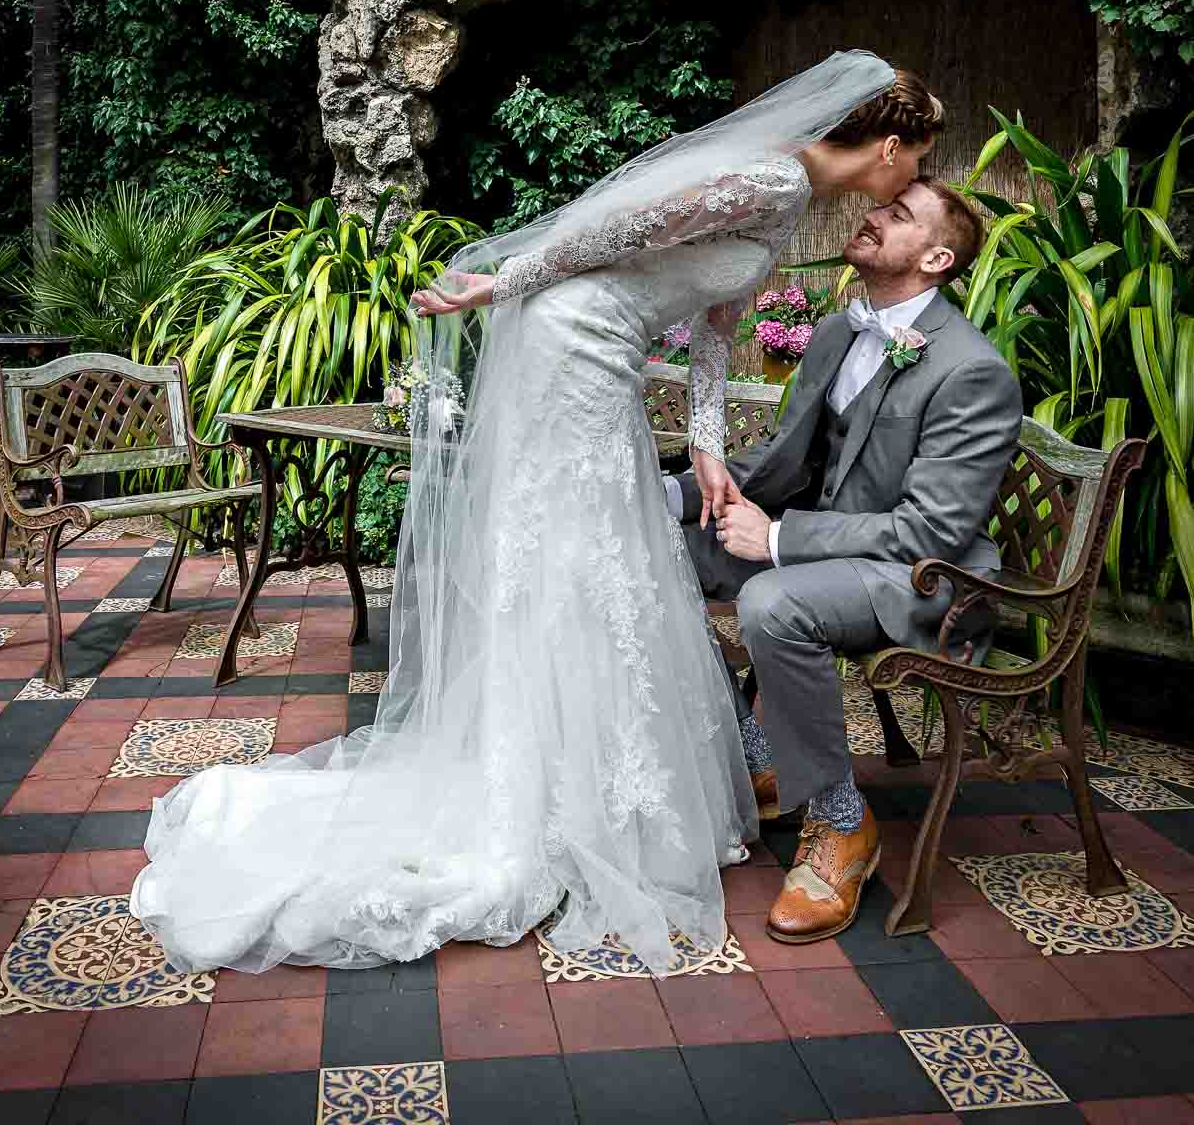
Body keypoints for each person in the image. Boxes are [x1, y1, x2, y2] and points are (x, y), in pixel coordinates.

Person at [130, 51, 942, 977]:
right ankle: (556, 804)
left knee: (603, 563)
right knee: (591, 560)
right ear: (887, 147)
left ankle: (589, 778)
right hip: (574, 345)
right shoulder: (764, 173)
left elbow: (716, 329)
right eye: (913, 166)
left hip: (602, 355)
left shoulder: (789, 197)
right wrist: (500, 282)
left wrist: (709, 446)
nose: (908, 184)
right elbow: (613, 225)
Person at [678, 177, 1023, 944]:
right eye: (881, 205)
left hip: (925, 581)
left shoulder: (972, 371)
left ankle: (842, 823)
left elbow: (930, 531)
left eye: (897, 215)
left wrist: (776, 542)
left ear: (936, 258)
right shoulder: (839, 333)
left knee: (775, 602)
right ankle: (759, 753)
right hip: (834, 551)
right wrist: (671, 496)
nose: (871, 214)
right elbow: (784, 460)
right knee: (655, 556)